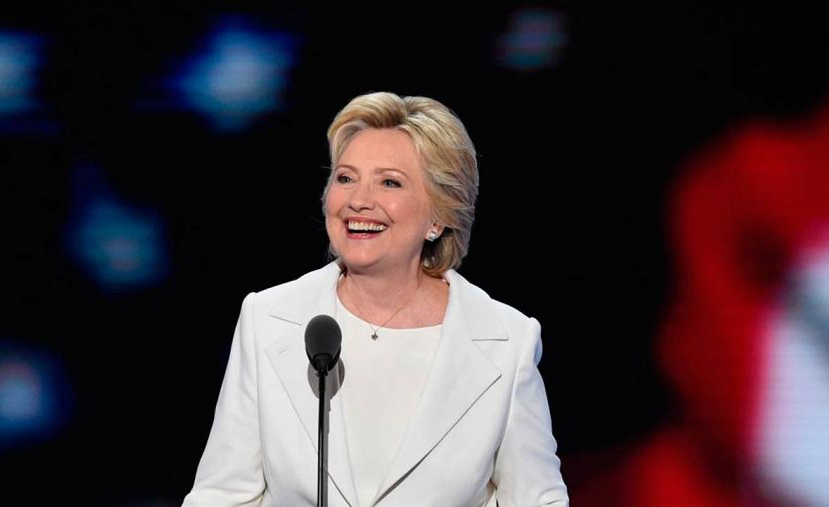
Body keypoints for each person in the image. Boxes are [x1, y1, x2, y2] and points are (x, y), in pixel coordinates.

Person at [182, 91, 569, 506]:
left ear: (439, 215)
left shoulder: (507, 341)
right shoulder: (268, 319)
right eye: (345, 178)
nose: (358, 200)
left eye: (389, 182)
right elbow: (221, 496)